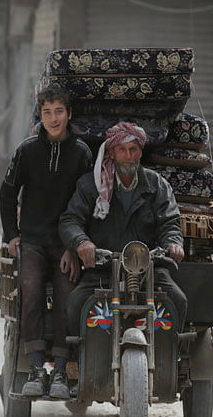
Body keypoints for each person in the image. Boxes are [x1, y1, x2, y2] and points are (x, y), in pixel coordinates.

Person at [0, 87, 93, 399]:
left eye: (59, 112)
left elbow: (89, 202)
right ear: (40, 116)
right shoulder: (27, 151)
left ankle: (62, 373)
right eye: (47, 112)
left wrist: (75, 245)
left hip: (66, 243)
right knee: (31, 293)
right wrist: (12, 235)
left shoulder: (82, 153)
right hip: (34, 241)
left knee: (68, 301)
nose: (53, 119)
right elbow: (7, 192)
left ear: (69, 115)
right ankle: (37, 367)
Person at [59, 121, 187, 342]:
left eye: (133, 149)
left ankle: (172, 361)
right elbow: (70, 220)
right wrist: (81, 243)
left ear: (140, 151)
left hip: (149, 269)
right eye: (122, 150)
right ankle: (77, 361)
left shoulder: (157, 185)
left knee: (177, 301)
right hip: (102, 268)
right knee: (76, 303)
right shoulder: (92, 184)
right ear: (112, 152)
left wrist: (173, 243)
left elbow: (170, 223)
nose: (128, 156)